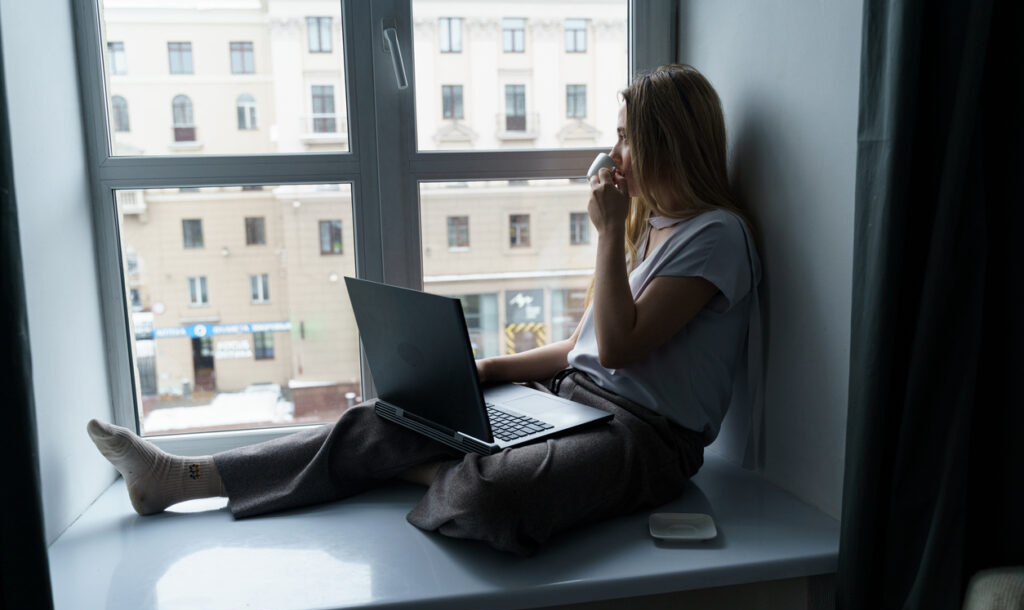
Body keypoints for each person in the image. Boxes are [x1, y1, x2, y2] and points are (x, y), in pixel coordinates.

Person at [87, 64, 762, 556]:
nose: (615, 155)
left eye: (627, 138)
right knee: (385, 414)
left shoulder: (717, 235)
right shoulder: (652, 228)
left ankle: (434, 466)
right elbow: (584, 344)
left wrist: (608, 232)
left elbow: (619, 348)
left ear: (669, 143)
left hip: (642, 438)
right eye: (616, 138)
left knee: (495, 497)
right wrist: (492, 368)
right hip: (572, 399)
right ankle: (178, 477)